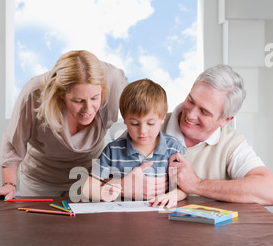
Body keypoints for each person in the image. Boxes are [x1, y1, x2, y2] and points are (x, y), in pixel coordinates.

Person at [0, 50, 128, 202]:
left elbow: (143, 118)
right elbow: (13, 141)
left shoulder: (113, 81)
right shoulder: (34, 93)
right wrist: (9, 184)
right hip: (41, 178)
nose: (88, 109)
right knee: (41, 225)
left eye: (95, 98)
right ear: (61, 94)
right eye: (78, 101)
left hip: (89, 177)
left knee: (86, 226)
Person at [164, 65, 273, 205]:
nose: (190, 115)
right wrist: (125, 187)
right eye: (191, 101)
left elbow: (269, 190)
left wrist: (197, 184)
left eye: (204, 112)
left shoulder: (231, 143)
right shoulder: (148, 125)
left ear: (225, 120)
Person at [83, 79, 187, 207]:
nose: (142, 131)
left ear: (162, 118)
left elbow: (185, 188)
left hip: (161, 217)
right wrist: (108, 190)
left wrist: (172, 196)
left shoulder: (173, 148)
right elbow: (87, 188)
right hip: (123, 218)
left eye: (150, 123)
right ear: (125, 119)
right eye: (135, 123)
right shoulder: (113, 150)